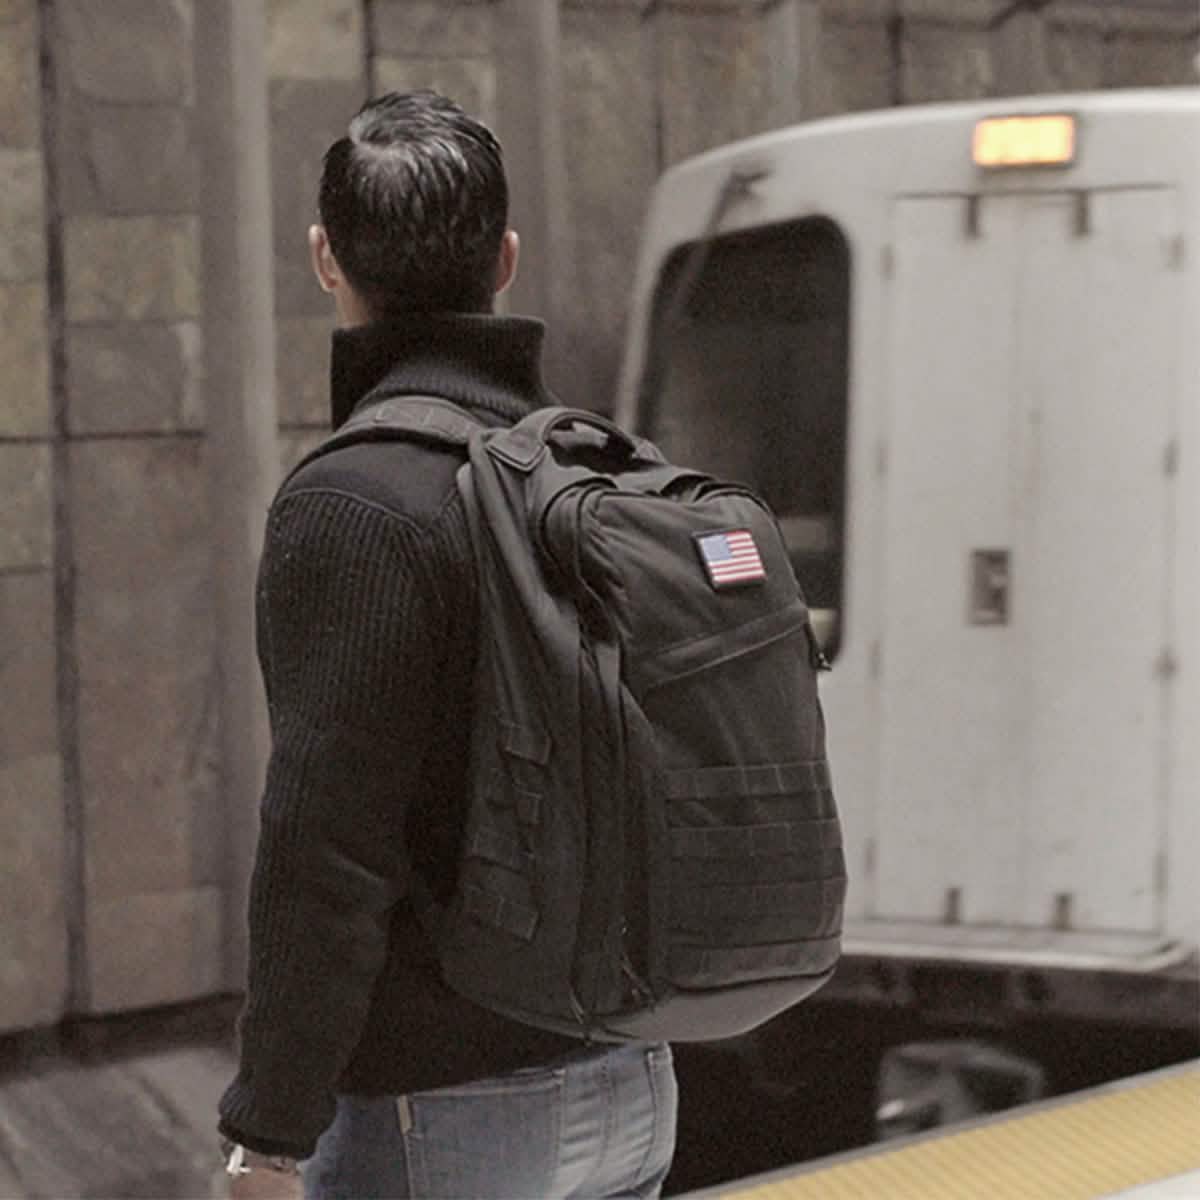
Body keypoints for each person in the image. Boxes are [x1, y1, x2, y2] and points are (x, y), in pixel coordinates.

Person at [216, 90, 678, 1200]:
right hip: (633, 1083)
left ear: (326, 258)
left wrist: (269, 1134)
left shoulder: (359, 503)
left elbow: (324, 849)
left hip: (446, 1115)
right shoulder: (594, 474)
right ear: (505, 259)